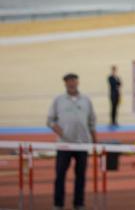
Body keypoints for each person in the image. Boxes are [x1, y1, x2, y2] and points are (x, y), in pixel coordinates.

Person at [46, 73, 97, 210]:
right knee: (60, 175)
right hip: (64, 145)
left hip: (82, 144)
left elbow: (92, 122)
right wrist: (61, 133)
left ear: (77, 82)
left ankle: (79, 204)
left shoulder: (86, 100)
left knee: (81, 176)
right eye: (68, 81)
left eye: (73, 80)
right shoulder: (58, 100)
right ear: (65, 83)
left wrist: (94, 142)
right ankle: (58, 204)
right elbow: (50, 121)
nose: (71, 83)